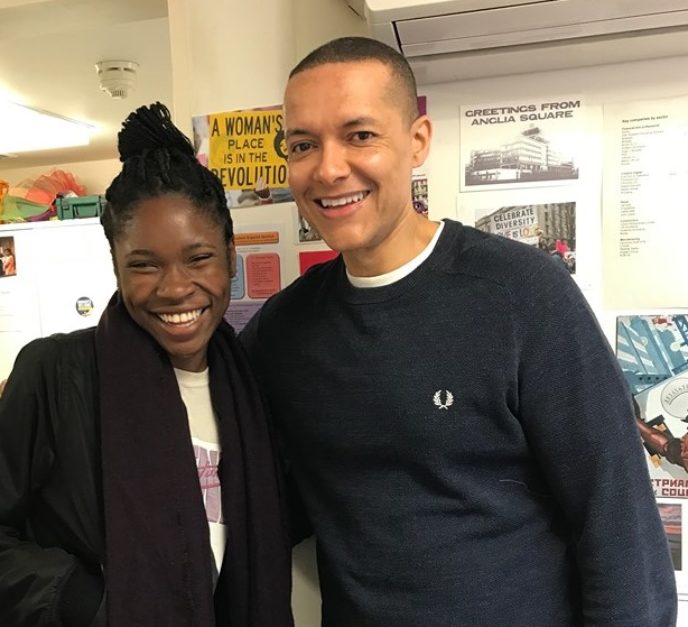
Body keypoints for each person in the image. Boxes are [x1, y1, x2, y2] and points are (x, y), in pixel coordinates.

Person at [238, 37, 677, 625]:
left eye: (359, 135)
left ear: (417, 141)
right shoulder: (282, 331)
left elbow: (619, 525)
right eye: (303, 144)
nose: (329, 168)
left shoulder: (523, 295)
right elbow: (246, 489)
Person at [0, 103, 293, 627]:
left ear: (230, 256)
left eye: (198, 257)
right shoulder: (58, 375)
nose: (175, 287)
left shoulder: (249, 382)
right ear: (115, 266)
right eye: (144, 264)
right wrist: (84, 601)